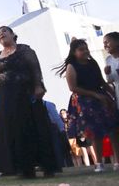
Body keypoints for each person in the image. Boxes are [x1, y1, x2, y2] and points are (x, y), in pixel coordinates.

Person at [0, 26, 57, 178]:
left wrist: (38, 85)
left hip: (25, 94)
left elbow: (35, 68)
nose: (1, 34)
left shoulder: (24, 50)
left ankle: (46, 166)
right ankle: (22, 168)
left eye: (4, 31)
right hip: (5, 99)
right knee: (13, 131)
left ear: (13, 34)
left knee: (32, 127)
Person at [57, 39, 119, 172]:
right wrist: (96, 95)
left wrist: (112, 93)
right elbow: (73, 87)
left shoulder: (93, 63)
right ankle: (99, 163)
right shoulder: (71, 66)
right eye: (81, 49)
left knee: (114, 128)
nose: (85, 51)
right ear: (74, 52)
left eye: (86, 48)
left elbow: (101, 81)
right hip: (85, 100)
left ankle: (117, 162)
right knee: (95, 132)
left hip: (102, 96)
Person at [44, 98, 74, 168]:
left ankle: (63, 165)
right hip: (53, 128)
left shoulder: (47, 104)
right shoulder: (48, 104)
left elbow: (56, 118)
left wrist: (61, 129)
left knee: (59, 149)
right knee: (60, 149)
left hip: (53, 128)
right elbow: (56, 118)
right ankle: (64, 165)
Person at [104, 32, 119, 107]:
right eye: (104, 43)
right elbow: (110, 80)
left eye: (107, 42)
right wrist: (107, 73)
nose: (105, 45)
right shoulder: (108, 60)